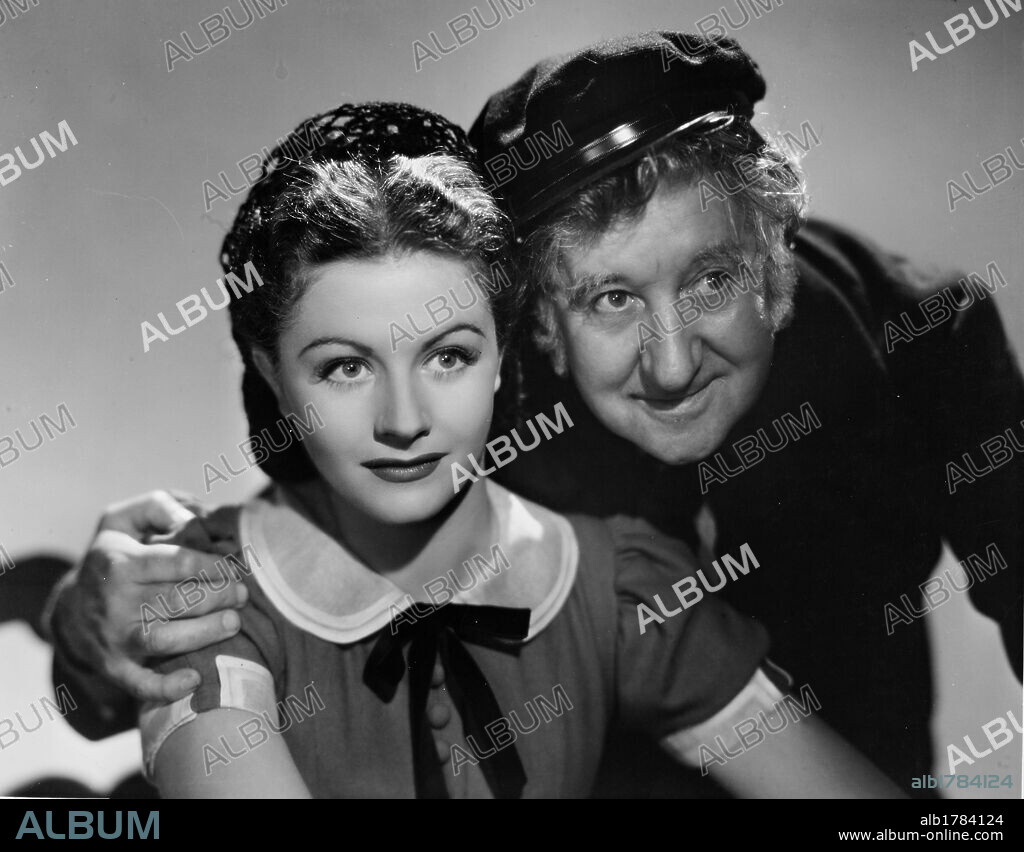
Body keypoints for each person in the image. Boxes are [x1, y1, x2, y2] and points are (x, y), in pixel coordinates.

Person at [47, 33, 1020, 794]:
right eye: (610, 300)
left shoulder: (925, 338)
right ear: (540, 324)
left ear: (775, 262)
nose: (672, 364)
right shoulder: (459, 393)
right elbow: (235, 605)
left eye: (712, 280)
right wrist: (82, 631)